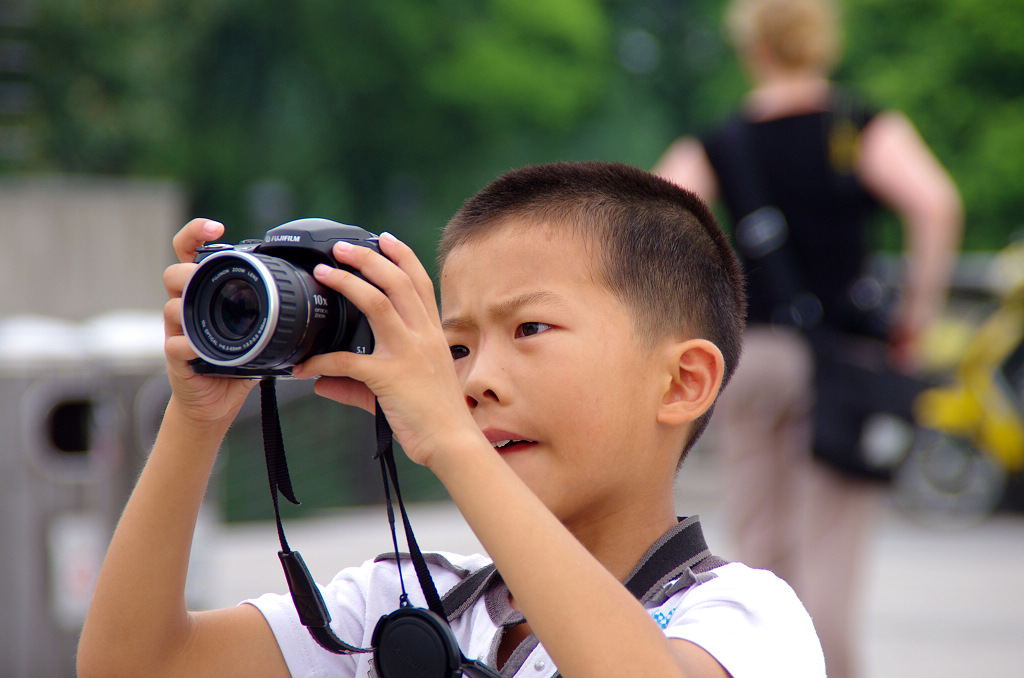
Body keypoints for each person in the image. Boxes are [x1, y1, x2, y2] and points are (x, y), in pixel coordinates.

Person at [77, 161, 826, 678]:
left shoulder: (742, 615)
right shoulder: (403, 606)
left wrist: (451, 442)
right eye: (456, 346)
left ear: (682, 382)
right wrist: (197, 415)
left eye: (529, 330)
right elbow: (135, 663)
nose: (475, 380)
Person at [653, 2, 962, 677]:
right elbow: (935, 204)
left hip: (753, 356)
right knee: (828, 560)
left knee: (758, 551)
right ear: (823, 40)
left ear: (752, 48)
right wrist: (916, 316)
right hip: (842, 363)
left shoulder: (721, 141)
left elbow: (651, 219)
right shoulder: (857, 125)